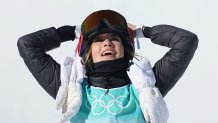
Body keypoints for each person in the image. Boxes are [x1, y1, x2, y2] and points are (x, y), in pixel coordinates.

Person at [17, 10, 198, 123]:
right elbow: (27, 44)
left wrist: (143, 30)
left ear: (125, 48)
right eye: (98, 40)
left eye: (114, 39)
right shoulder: (70, 89)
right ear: (87, 51)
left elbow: (186, 42)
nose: (107, 44)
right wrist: (71, 31)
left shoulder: (147, 86)